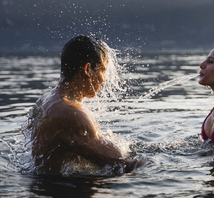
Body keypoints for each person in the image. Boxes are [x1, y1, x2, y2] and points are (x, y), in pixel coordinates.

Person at [25, 35, 144, 174]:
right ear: (87, 69)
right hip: (65, 192)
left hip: (46, 189)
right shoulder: (70, 114)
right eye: (103, 70)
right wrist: (156, 165)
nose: (103, 79)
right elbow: (121, 165)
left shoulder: (45, 101)